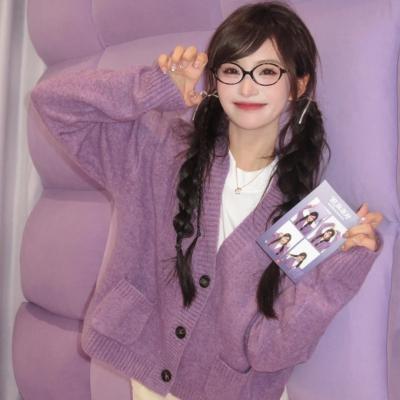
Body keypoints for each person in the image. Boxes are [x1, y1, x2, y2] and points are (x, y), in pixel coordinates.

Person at [30, 2, 384, 400]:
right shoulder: (160, 150)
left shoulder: (310, 216)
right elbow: (53, 102)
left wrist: (335, 276)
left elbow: (272, 350)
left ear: (298, 86)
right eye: (233, 70)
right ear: (215, 80)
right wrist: (153, 87)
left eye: (267, 72)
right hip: (147, 380)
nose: (247, 88)